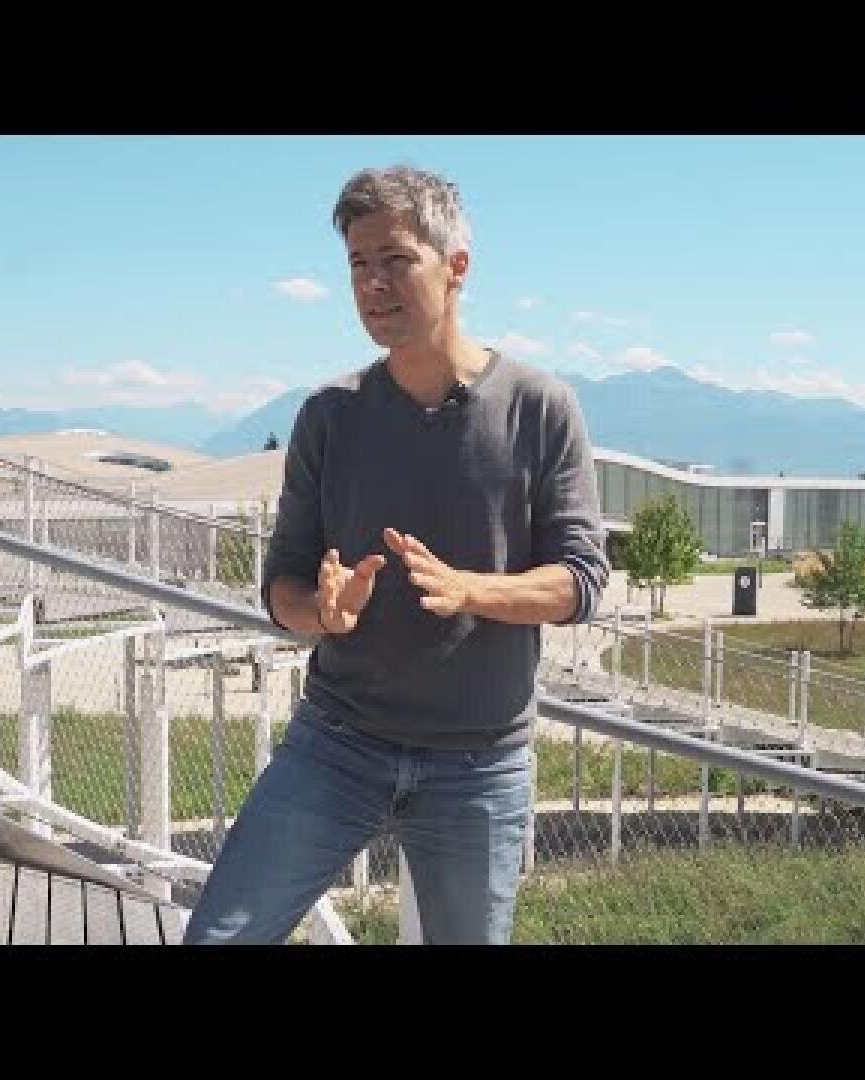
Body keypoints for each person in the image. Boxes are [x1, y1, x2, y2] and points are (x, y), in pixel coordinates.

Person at [184, 165, 609, 944]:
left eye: (395, 259)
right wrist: (322, 613)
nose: (373, 283)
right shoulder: (329, 417)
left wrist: (473, 590)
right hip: (335, 745)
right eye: (357, 264)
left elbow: (583, 579)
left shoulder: (540, 407)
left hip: (480, 767)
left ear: (457, 267)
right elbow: (279, 585)